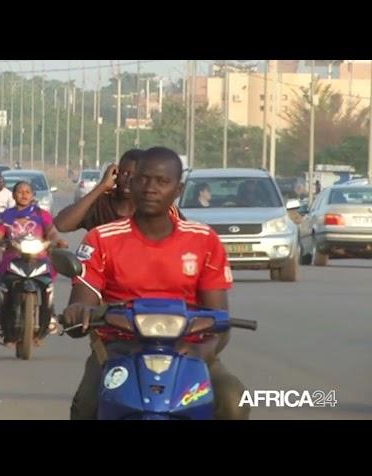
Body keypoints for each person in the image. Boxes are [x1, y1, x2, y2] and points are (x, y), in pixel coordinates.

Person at [61, 147, 248, 420]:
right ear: (132, 183)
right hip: (119, 350)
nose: (151, 188)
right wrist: (77, 313)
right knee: (86, 406)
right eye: (144, 179)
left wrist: (201, 351)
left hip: (188, 351)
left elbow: (220, 320)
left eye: (162, 182)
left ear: (178, 189)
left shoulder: (204, 241)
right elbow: (82, 300)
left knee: (233, 399)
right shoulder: (101, 239)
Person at [0, 181, 68, 345]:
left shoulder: (41, 214)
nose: (24, 195)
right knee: (3, 280)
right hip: (13, 256)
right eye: (20, 192)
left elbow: (51, 232)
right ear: (14, 195)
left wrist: (58, 241)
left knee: (48, 281)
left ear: (32, 196)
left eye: (27, 192)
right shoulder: (7, 215)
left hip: (39, 256)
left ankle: (50, 313)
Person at [54, 149, 184, 233]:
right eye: (124, 173)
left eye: (135, 176)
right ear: (115, 174)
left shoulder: (159, 209)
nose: (128, 180)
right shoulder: (101, 204)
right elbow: (62, 225)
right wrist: (101, 187)